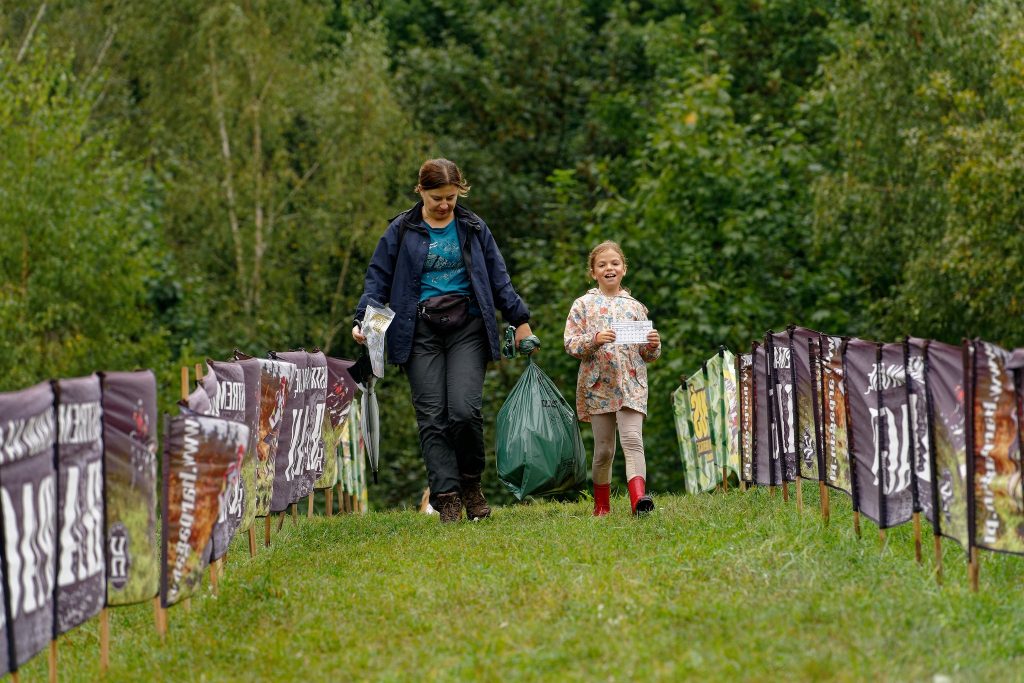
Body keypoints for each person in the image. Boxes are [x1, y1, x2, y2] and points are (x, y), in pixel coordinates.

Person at [352, 158, 534, 523]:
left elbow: (498, 277)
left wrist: (520, 319)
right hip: (419, 332)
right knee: (432, 418)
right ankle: (446, 496)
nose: (444, 205)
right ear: (420, 191)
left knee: (464, 411)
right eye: (437, 197)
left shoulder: (472, 227)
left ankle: (471, 486)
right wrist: (363, 321)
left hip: (468, 328)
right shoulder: (401, 230)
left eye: (450, 197)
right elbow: (378, 279)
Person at [563, 241, 661, 516]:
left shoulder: (636, 307)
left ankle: (639, 500)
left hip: (631, 384)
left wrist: (653, 344)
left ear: (624, 269)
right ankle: (601, 506)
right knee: (604, 450)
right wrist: (594, 340)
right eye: (602, 265)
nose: (609, 268)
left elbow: (649, 354)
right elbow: (571, 344)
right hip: (598, 386)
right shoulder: (583, 305)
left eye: (615, 263)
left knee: (633, 441)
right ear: (593, 272)